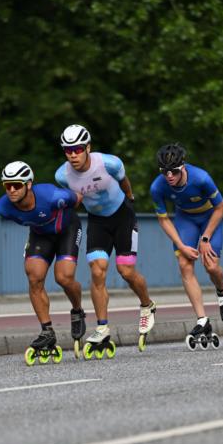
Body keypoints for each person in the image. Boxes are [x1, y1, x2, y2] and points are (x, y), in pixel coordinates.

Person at [55, 124, 156, 356]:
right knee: (97, 270)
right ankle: (102, 327)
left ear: (88, 148)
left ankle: (147, 305)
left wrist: (130, 200)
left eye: (78, 149)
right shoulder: (62, 176)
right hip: (98, 221)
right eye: (68, 150)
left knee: (126, 271)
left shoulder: (110, 163)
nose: (73, 155)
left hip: (123, 216)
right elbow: (73, 195)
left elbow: (125, 183)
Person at [0, 160, 86, 360]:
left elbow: (78, 198)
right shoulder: (3, 207)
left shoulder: (52, 196)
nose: (11, 190)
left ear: (28, 185)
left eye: (17, 185)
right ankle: (47, 331)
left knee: (64, 278)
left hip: (67, 229)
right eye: (7, 185)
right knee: (34, 277)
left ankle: (77, 311)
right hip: (40, 235)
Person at [150, 143, 223, 347]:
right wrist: (180, 245)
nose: (169, 176)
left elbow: (221, 207)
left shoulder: (201, 178)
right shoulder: (157, 187)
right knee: (184, 264)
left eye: (174, 171)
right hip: (185, 220)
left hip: (209, 218)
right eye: (164, 171)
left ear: (183, 167)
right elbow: (163, 219)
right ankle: (202, 320)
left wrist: (205, 238)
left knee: (211, 266)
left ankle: (222, 292)